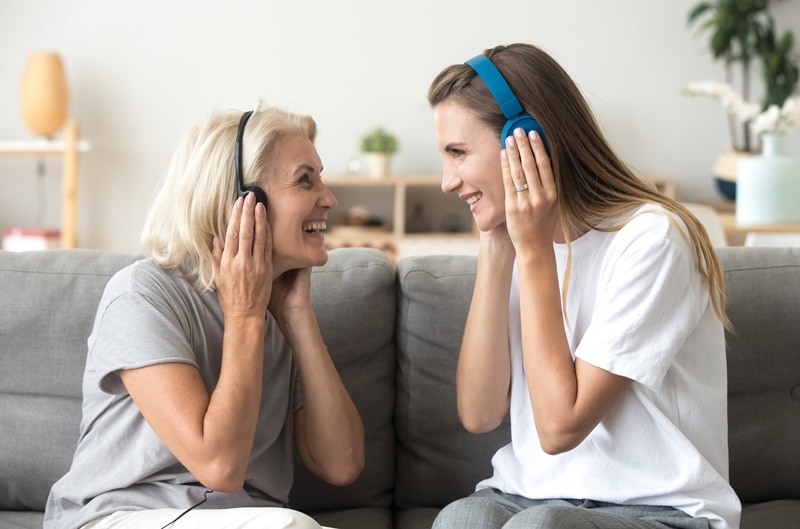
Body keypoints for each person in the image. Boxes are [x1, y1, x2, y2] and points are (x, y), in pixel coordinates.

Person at [427, 43, 741, 529]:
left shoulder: (652, 238)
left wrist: (531, 254)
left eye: (458, 153)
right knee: (461, 519)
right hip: (532, 496)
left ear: (525, 141)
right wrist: (497, 247)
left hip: (661, 508)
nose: (448, 181)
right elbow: (479, 413)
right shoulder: (520, 240)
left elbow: (559, 426)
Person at [44, 103, 364, 529]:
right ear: (244, 203)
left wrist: (297, 314)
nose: (329, 198)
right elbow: (220, 467)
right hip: (123, 517)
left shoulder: (279, 315)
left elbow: (341, 465)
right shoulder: (142, 294)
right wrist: (246, 315)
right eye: (305, 181)